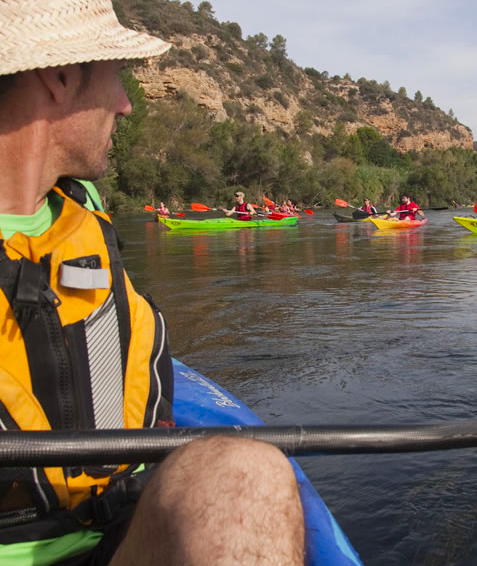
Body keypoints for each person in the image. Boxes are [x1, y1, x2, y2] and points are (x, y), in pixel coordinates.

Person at [0, 2, 304, 565]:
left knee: (252, 471)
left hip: (122, 529)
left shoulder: (85, 215)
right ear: (60, 77)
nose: (126, 104)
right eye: (117, 79)